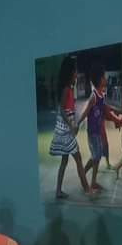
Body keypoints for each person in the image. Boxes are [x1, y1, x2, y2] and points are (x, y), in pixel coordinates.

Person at [47, 56, 91, 198]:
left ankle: (58, 191)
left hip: (65, 130)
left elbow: (68, 110)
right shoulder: (66, 90)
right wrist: (71, 124)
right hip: (65, 131)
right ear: (69, 73)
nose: (76, 74)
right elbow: (61, 110)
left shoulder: (69, 89)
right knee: (78, 158)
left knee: (65, 161)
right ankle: (87, 189)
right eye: (75, 72)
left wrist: (73, 123)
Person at [78, 64, 121, 192]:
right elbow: (86, 112)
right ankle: (84, 173)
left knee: (97, 156)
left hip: (98, 131)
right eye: (103, 77)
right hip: (92, 132)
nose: (105, 79)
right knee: (96, 156)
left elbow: (106, 111)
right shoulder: (94, 96)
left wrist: (116, 118)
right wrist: (77, 123)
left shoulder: (102, 95)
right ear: (99, 79)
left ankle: (93, 181)